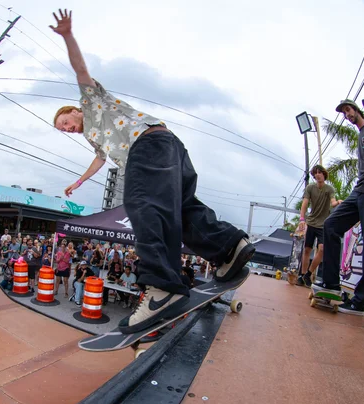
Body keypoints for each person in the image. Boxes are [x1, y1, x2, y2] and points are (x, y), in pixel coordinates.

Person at [49, 9, 255, 334]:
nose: (68, 128)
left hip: (144, 146)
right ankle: (229, 248)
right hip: (170, 145)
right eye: (64, 130)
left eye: (66, 123)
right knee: (180, 209)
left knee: (141, 204)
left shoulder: (91, 102)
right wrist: (79, 180)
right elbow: (100, 159)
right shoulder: (93, 136)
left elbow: (80, 69)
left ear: (73, 110)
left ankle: (163, 288)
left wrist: (67, 36)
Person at [313, 99, 364, 315]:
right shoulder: (360, 134)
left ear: (356, 110)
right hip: (359, 191)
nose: (347, 114)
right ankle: (331, 284)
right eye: (344, 112)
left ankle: (359, 302)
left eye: (348, 110)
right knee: (331, 225)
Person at [296, 165, 341, 287]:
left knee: (322, 249)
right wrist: (302, 219)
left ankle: (308, 274)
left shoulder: (329, 189)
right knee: (307, 249)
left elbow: (333, 202)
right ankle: (302, 275)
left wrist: (337, 203)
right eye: (315, 173)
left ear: (324, 174)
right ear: (314, 175)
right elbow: (305, 203)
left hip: (323, 225)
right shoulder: (310, 188)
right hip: (311, 223)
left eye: (320, 172)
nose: (318, 175)